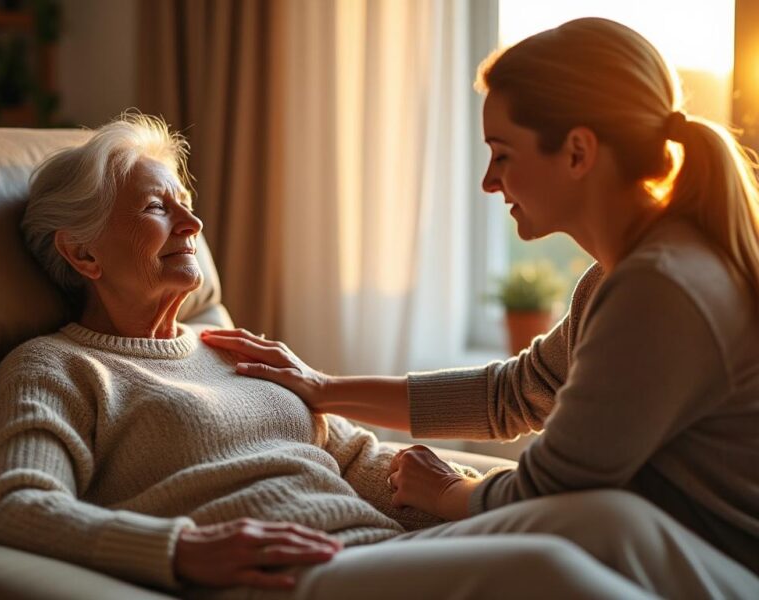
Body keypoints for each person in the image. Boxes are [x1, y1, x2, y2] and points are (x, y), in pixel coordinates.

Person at [0, 111, 753, 600]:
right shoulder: (53, 368)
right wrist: (183, 549)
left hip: (387, 547)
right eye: (157, 207)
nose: (192, 222)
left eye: (185, 202)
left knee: (607, 519)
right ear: (81, 252)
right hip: (296, 575)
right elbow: (15, 509)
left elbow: (351, 457)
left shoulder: (225, 347)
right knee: (543, 573)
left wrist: (471, 491)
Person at [200, 16, 759, 591]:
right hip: (675, 552)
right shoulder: (623, 276)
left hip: (724, 574)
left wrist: (447, 492)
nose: (490, 182)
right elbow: (511, 395)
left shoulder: (661, 288)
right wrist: (324, 387)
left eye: (503, 154)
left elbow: (554, 489)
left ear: (577, 152)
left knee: (593, 525)